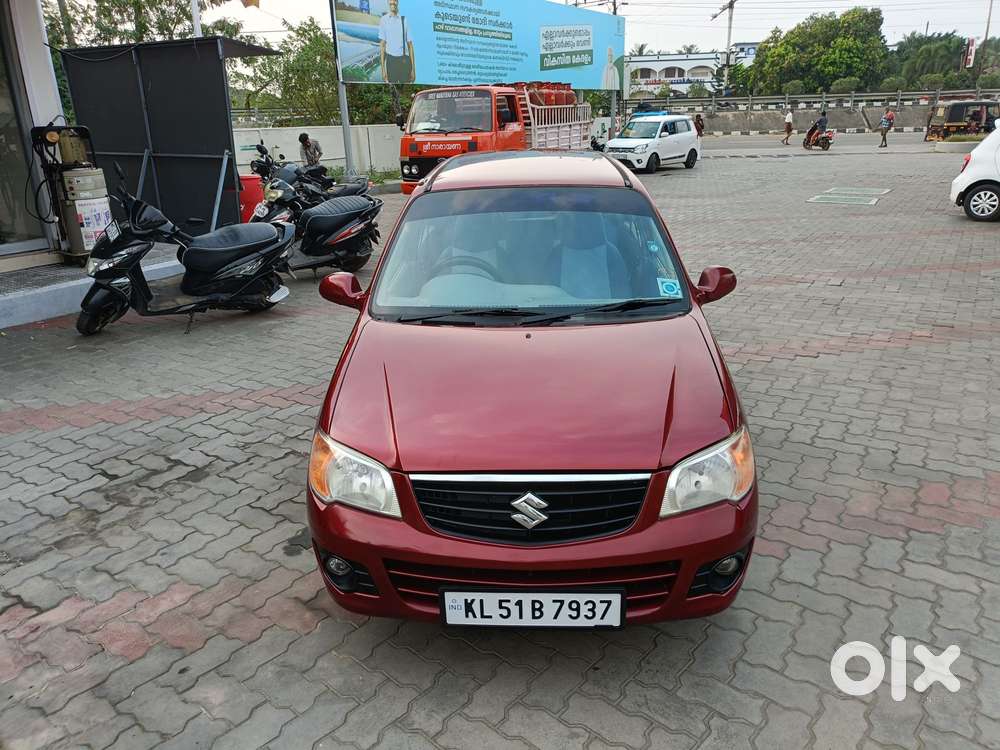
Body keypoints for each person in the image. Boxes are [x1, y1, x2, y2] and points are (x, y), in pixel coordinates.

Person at [379, 0, 415, 83]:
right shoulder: (384, 20)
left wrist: (413, 69)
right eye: (391, 1)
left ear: (397, 2)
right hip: (391, 61)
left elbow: (410, 45)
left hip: (404, 61)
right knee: (393, 88)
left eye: (395, 0)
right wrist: (383, 70)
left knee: (405, 86)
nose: (393, 3)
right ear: (388, 2)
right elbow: (382, 46)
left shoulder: (404, 20)